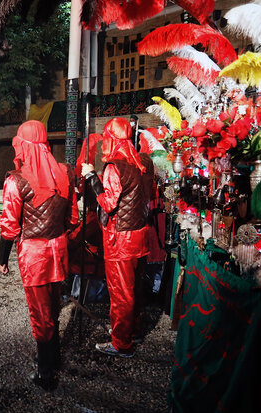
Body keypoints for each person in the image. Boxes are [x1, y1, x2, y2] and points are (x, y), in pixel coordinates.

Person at [0, 120, 79, 389]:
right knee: (53, 306)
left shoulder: (16, 180)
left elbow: (9, 227)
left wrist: (2, 260)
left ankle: (45, 374)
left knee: (40, 313)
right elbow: (73, 218)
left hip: (35, 255)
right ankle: (52, 358)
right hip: (59, 248)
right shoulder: (65, 173)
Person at [80, 117, 152, 358]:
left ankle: (122, 343)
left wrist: (92, 177)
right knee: (135, 289)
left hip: (121, 240)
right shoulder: (142, 163)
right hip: (140, 235)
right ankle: (133, 330)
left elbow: (108, 204)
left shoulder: (114, 167)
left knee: (121, 293)